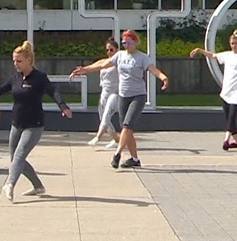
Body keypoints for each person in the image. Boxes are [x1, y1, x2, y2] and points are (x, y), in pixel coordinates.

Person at [0, 41, 72, 202]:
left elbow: (53, 91)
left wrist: (63, 106)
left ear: (29, 60)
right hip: (17, 124)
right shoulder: (15, 78)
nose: (16, 64)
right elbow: (0, 89)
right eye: (14, 61)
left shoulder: (39, 78)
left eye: (19, 61)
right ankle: (38, 186)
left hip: (34, 126)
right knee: (15, 158)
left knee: (19, 155)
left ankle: (10, 184)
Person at [71, 30, 169, 169]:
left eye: (129, 42)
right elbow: (103, 64)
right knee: (126, 128)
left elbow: (153, 69)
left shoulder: (142, 58)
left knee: (127, 125)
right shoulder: (120, 55)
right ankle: (134, 159)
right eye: (124, 43)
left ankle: (117, 154)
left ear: (136, 42)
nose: (126, 45)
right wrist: (85, 69)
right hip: (123, 96)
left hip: (138, 96)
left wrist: (163, 78)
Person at [190, 30, 237, 151]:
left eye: (235, 43)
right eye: (232, 43)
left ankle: (226, 140)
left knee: (232, 116)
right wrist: (199, 50)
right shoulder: (228, 55)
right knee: (229, 118)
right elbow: (214, 56)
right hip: (226, 91)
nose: (233, 46)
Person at [83, 37, 120, 149]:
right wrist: (81, 70)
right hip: (105, 91)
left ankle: (98, 137)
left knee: (106, 115)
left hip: (115, 92)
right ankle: (116, 139)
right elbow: (94, 66)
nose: (109, 52)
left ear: (117, 50)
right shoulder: (104, 61)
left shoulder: (119, 61)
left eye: (111, 50)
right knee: (102, 115)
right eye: (107, 50)